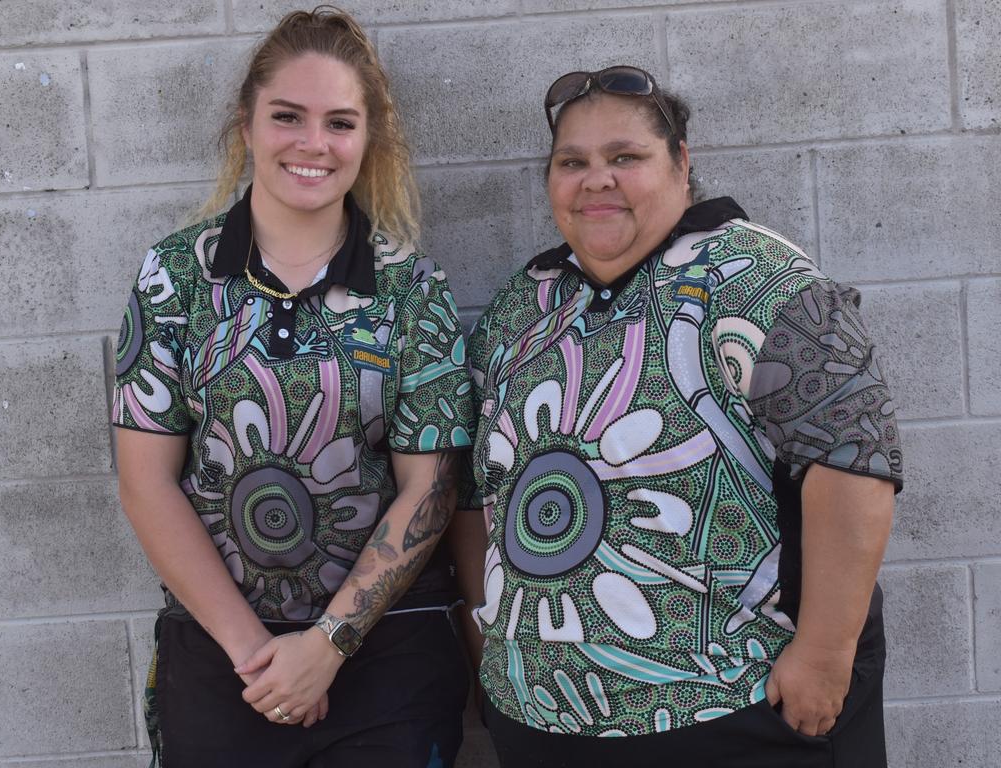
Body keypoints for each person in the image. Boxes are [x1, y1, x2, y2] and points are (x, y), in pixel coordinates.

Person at [451, 65, 902, 767]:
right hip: (542, 724)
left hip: (737, 715)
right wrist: (492, 655)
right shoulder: (520, 309)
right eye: (573, 162)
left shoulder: (762, 278)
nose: (596, 179)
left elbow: (854, 462)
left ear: (681, 164)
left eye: (625, 157)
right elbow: (476, 493)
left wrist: (823, 657)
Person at [112, 8, 473, 767]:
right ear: (246, 124)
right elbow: (146, 481)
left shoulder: (412, 288)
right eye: (288, 117)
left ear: (368, 137)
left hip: (388, 656)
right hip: (221, 657)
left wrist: (328, 644)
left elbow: (431, 490)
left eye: (340, 122)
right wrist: (256, 654)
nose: (314, 144)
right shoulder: (175, 276)